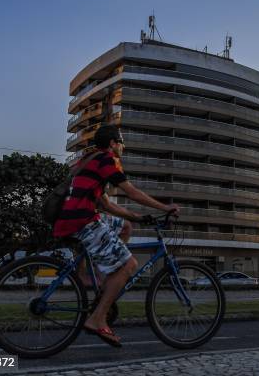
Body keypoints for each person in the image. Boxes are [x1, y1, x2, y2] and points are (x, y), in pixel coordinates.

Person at [53, 124, 178, 347]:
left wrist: (139, 217)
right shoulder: (107, 159)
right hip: (83, 219)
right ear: (112, 143)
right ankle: (97, 319)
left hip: (74, 216)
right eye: (121, 142)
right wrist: (164, 208)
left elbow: (106, 204)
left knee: (125, 227)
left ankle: (106, 279)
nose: (123, 146)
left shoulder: (90, 159)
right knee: (129, 264)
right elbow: (131, 191)